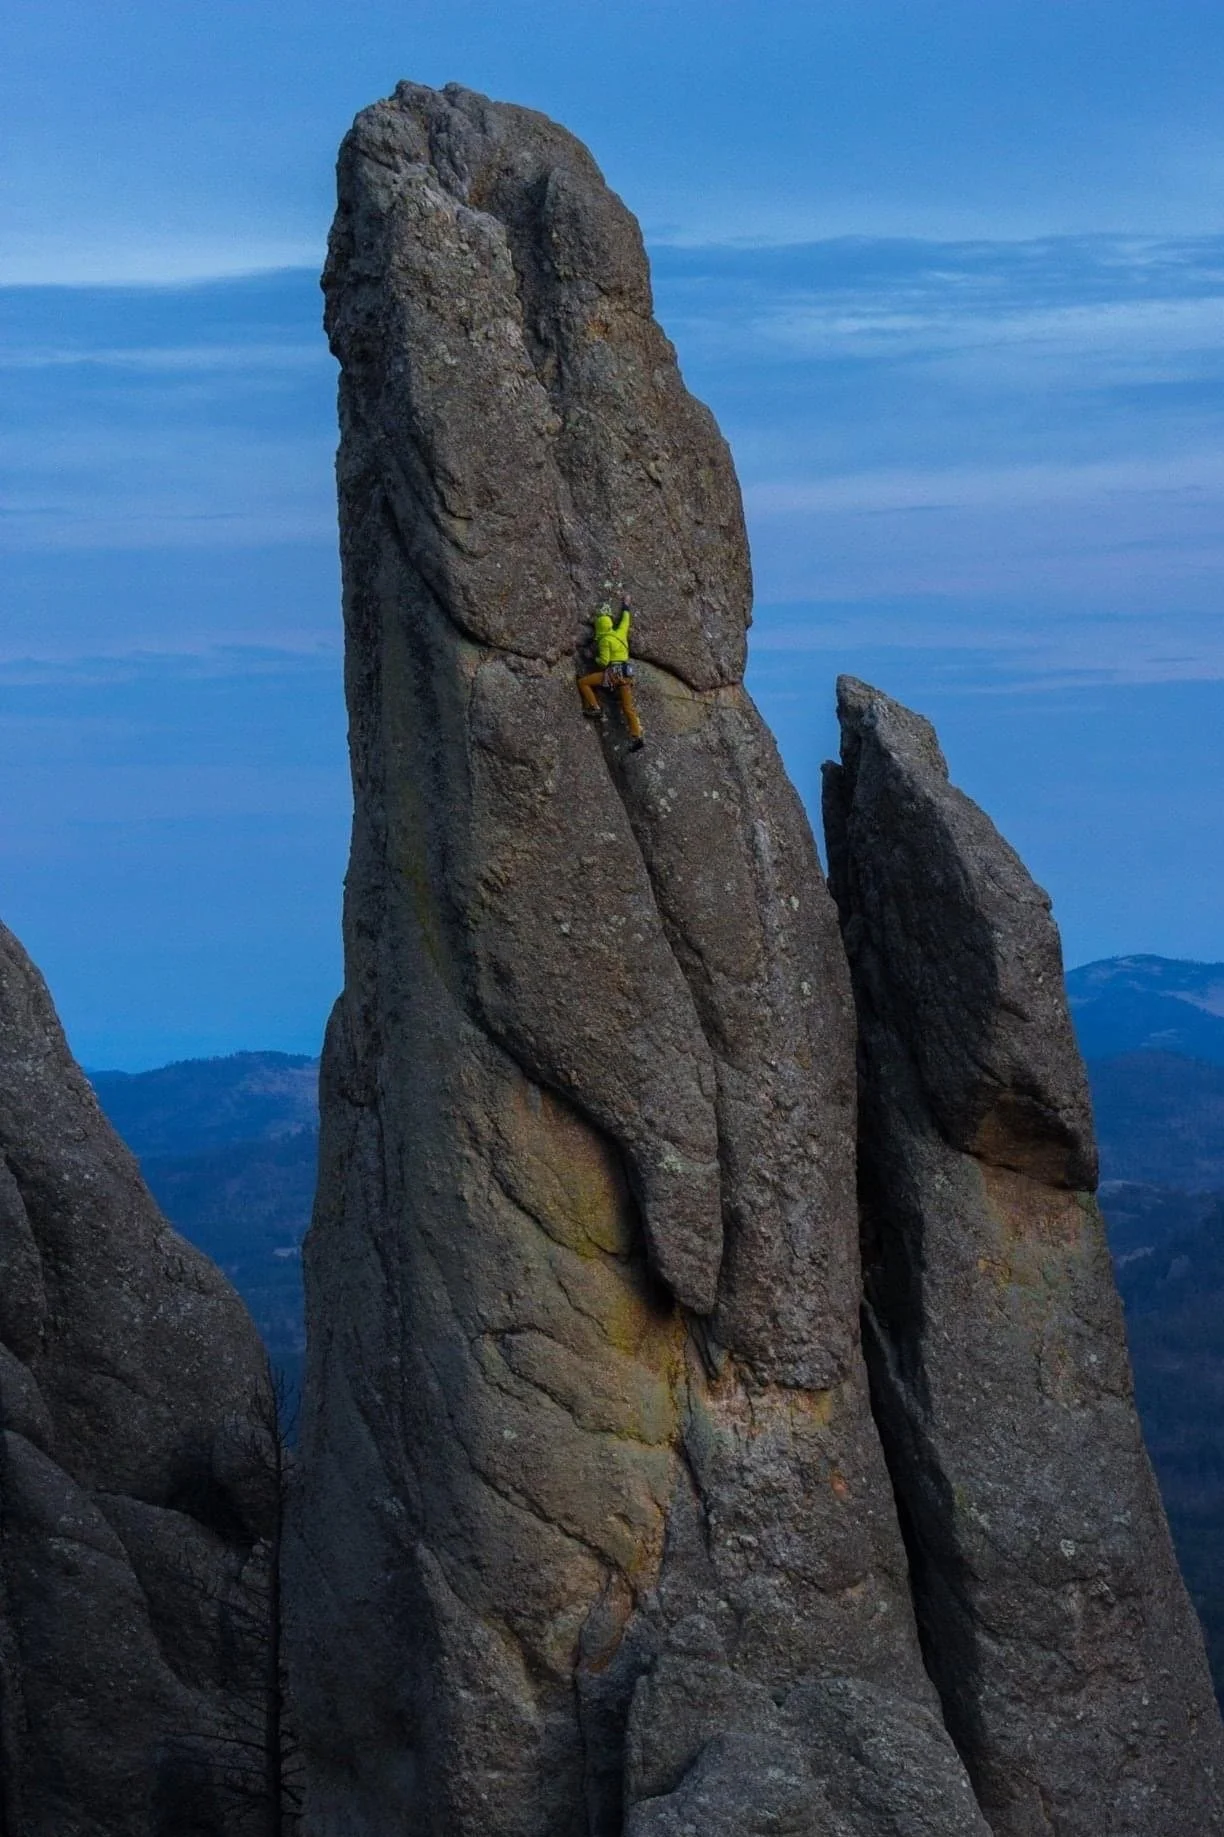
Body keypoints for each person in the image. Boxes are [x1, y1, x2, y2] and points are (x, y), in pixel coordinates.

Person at [576, 582, 645, 749]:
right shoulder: (620, 633)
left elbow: (604, 661)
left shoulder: (605, 640)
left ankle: (595, 707)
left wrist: (592, 657)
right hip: (626, 675)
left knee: (583, 682)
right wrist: (626, 605)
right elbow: (625, 620)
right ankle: (637, 735)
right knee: (628, 707)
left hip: (612, 674)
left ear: (599, 626)